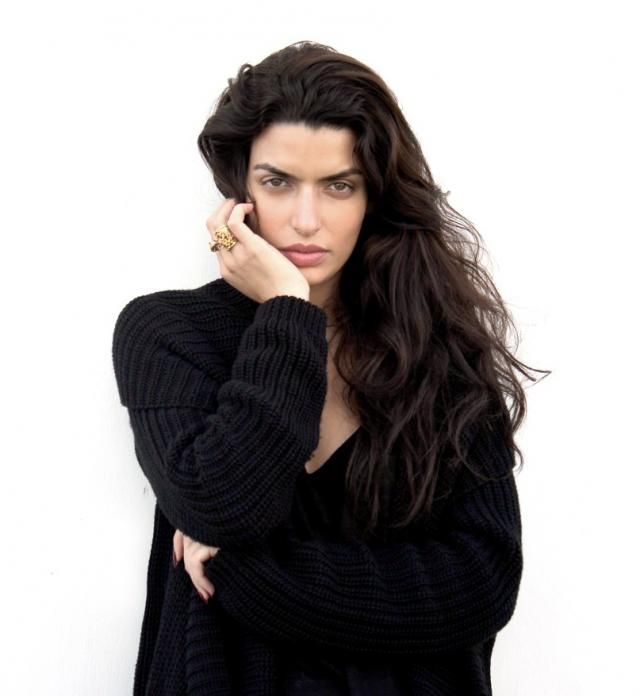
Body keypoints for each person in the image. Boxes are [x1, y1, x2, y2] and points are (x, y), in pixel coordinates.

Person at [112, 40, 547, 695]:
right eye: (277, 181)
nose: (306, 220)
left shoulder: (439, 353)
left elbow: (479, 585)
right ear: (238, 191)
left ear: (373, 196)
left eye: (339, 185)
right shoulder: (168, 333)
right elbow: (226, 506)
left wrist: (248, 575)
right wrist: (287, 309)